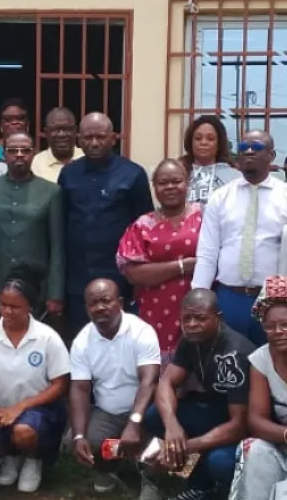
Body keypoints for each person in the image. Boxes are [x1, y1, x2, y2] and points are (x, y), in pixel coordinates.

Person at [145, 289, 253, 500]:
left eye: (200, 318)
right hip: (215, 411)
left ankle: (214, 490)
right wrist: (172, 427)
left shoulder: (234, 353)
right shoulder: (190, 340)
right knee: (156, 416)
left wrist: (181, 447)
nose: (192, 323)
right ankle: (197, 483)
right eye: (187, 318)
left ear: (218, 318)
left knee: (220, 462)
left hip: (246, 426)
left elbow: (238, 425)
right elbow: (166, 383)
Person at [0, 267, 70, 494]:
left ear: (29, 307)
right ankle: (10, 458)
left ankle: (32, 460)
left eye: (14, 306)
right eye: (3, 304)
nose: (7, 311)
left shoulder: (47, 337)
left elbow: (61, 384)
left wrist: (20, 407)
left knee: (24, 431)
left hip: (39, 410)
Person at [69, 279, 162, 500]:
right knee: (86, 441)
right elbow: (80, 388)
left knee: (157, 443)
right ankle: (108, 470)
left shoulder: (141, 331)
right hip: (107, 411)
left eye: (106, 300)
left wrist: (135, 421)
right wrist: (79, 435)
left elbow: (149, 381)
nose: (100, 307)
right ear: (86, 308)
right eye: (93, 303)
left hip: (146, 409)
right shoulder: (82, 341)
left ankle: (152, 481)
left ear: (120, 303)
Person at [59, 112, 154, 334]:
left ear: (113, 138)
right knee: (81, 339)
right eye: (88, 137)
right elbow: (61, 225)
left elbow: (145, 229)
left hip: (119, 278)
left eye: (100, 137)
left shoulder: (132, 174)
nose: (94, 143)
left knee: (121, 338)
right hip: (78, 278)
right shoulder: (68, 174)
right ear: (79, 139)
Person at [192, 130, 287, 346]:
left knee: (271, 367)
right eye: (244, 147)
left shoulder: (284, 196)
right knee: (229, 368)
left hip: (272, 301)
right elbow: (208, 252)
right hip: (229, 298)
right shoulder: (220, 197)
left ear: (271, 156)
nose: (249, 151)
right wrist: (199, 298)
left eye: (257, 147)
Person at [219, 276, 287, 500]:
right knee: (254, 449)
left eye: (285, 325)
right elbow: (255, 421)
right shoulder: (260, 360)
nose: (278, 331)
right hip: (282, 444)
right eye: (270, 327)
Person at [117, 159, 202, 368]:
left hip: (198, 308)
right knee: (156, 371)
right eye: (163, 183)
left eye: (176, 181)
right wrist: (183, 266)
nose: (170, 187)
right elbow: (133, 273)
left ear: (187, 183)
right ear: (154, 187)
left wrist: (158, 270)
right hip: (155, 310)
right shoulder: (142, 225)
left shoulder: (205, 216)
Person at [0, 132, 64, 319]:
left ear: (33, 153)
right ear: (3, 154)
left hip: (37, 286)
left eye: (25, 150)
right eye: (13, 150)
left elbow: (57, 246)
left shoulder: (51, 191)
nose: (19, 155)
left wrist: (55, 293)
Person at [178, 115, 241, 206]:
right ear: (190, 142)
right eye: (198, 138)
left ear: (219, 143)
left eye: (210, 139)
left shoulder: (235, 177)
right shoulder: (178, 173)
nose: (203, 142)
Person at [31, 107, 84, 183]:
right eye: (55, 129)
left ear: (75, 131)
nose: (61, 134)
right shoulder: (35, 164)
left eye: (67, 129)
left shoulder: (87, 158)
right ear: (46, 133)